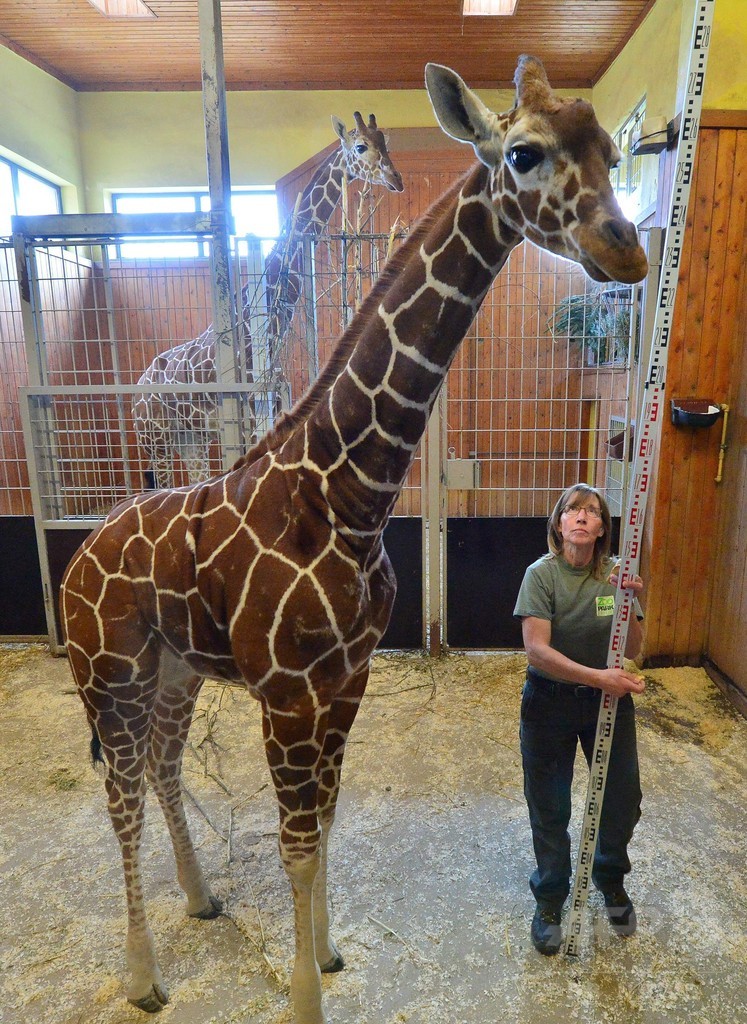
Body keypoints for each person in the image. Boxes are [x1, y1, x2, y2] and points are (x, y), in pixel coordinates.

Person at [513, 482, 645, 955]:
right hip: (549, 703)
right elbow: (537, 651)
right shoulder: (541, 575)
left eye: (593, 511)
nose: (584, 516)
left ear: (602, 528)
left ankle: (610, 880)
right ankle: (550, 898)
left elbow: (634, 651)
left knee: (622, 799)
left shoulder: (615, 576)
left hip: (608, 705)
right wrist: (599, 678)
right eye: (574, 509)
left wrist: (630, 603)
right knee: (550, 805)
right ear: (559, 522)